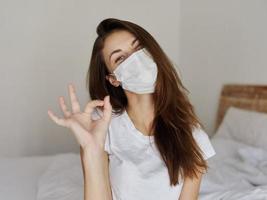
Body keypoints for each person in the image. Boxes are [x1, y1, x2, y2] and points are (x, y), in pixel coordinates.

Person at [47, 18, 216, 200]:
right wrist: (91, 149)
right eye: (120, 58)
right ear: (113, 79)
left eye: (138, 48)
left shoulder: (192, 134)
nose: (136, 59)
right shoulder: (102, 124)